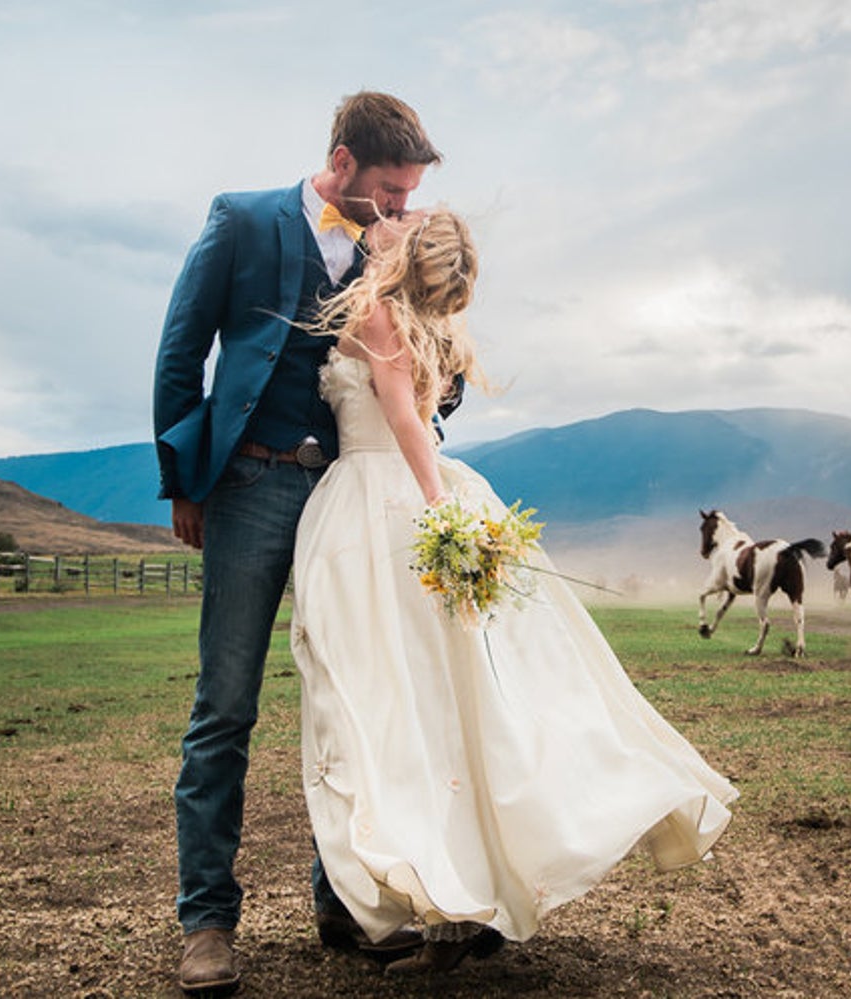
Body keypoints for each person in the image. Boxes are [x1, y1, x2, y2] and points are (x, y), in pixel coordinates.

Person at [291, 210, 737, 974]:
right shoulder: (427, 325)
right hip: (414, 496)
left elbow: (403, 418)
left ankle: (448, 894)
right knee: (448, 705)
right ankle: (460, 894)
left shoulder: (379, 313)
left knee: (391, 702)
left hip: (379, 510)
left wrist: (441, 520)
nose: (385, 220)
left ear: (406, 254)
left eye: (399, 217)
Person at [151, 91, 442, 996]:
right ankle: (208, 923)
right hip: (246, 488)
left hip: (346, 496)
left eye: (408, 196)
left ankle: (345, 902)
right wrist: (185, 479)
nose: (398, 210)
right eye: (390, 191)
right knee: (226, 705)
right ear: (344, 160)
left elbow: (418, 370)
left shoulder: (390, 248)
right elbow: (181, 348)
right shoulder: (241, 218)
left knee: (350, 702)